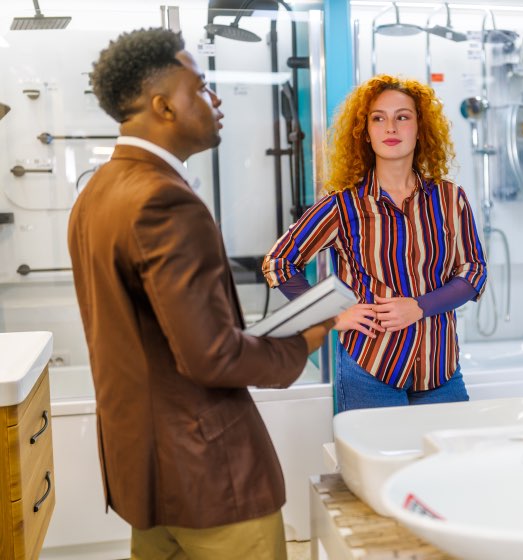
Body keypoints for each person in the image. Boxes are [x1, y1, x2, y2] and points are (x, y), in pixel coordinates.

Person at [68, 28, 332, 560]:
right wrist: (308, 338)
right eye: (203, 87)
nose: (215, 101)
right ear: (163, 106)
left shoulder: (97, 192)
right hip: (211, 477)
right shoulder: (165, 200)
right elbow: (211, 356)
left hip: (143, 475)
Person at [263, 74, 487, 413]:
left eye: (403, 117)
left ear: (419, 127)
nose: (391, 128)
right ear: (365, 133)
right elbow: (278, 263)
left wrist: (420, 306)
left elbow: (474, 272)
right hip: (370, 370)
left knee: (448, 465)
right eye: (378, 118)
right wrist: (333, 315)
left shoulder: (450, 199)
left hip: (440, 369)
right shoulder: (342, 206)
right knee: (375, 467)